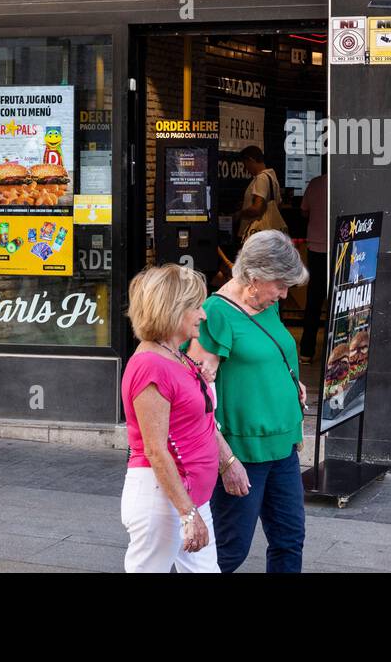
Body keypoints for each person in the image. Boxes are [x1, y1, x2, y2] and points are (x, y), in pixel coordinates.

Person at [188, 230, 309, 573]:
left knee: (289, 540)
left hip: (282, 445)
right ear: (255, 278)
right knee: (229, 551)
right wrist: (226, 462)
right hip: (242, 452)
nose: (285, 295)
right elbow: (195, 398)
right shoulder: (216, 314)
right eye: (281, 285)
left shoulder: (265, 304)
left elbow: (271, 353)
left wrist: (290, 382)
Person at [120, 264, 249, 573]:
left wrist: (227, 460)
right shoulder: (151, 366)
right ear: (173, 310)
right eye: (196, 307)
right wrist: (188, 514)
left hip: (185, 497)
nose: (203, 315)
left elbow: (198, 418)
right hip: (163, 500)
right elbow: (155, 449)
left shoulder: (175, 355)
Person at [298, 167, 328, 363]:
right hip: (340, 247)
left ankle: (307, 352)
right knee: (339, 301)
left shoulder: (315, 183)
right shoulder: (346, 183)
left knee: (313, 302)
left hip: (316, 247)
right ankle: (335, 353)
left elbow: (303, 211)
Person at [235, 146, 286, 240]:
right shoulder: (272, 177)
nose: (245, 169)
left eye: (245, 164)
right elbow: (278, 205)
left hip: (255, 235)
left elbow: (257, 209)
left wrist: (240, 214)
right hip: (269, 234)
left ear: (251, 160)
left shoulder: (261, 178)